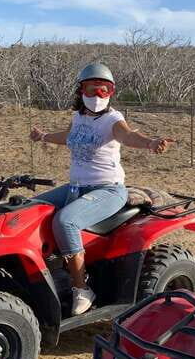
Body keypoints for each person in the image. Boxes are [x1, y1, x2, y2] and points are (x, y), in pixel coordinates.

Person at [30, 62, 174, 315]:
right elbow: (68, 136)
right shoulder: (79, 117)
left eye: (103, 90)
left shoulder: (113, 119)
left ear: (111, 93)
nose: (97, 96)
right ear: (80, 90)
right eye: (91, 89)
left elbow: (128, 136)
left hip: (108, 190)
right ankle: (44, 273)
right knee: (32, 209)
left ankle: (81, 287)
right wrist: (43, 136)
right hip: (76, 188)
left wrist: (150, 143)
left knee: (66, 222)